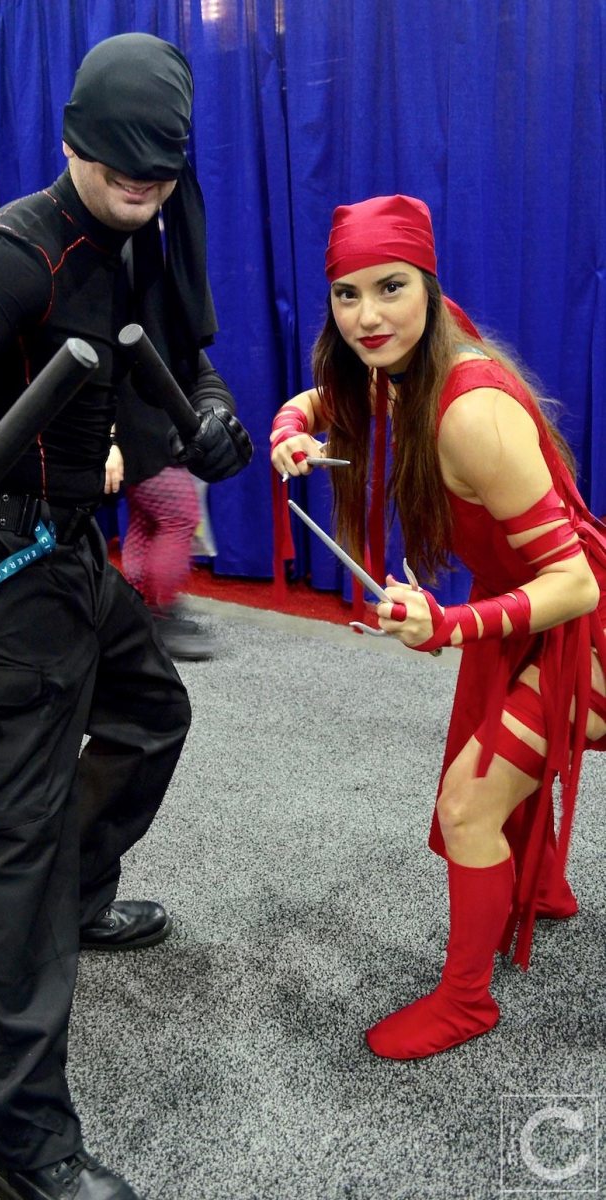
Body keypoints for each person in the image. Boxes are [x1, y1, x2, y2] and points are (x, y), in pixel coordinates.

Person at [0, 33, 251, 1200]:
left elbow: (189, 365)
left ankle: (81, 901)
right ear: (73, 139)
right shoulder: (13, 254)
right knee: (7, 847)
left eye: (162, 170)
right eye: (123, 166)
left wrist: (212, 418)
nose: (143, 185)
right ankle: (27, 1146)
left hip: (73, 551)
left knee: (150, 715)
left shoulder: (149, 232)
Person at [271, 194, 606, 1060]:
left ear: (426, 283)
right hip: (529, 613)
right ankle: (538, 889)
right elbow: (321, 398)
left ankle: (466, 1003)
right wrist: (289, 432)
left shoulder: (466, 410)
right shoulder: (401, 370)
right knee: (487, 784)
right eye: (346, 295)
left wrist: (451, 624)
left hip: (582, 625)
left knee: (467, 803)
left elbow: (570, 583)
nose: (366, 316)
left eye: (389, 288)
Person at [104, 393, 216, 661]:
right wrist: (110, 441)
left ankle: (139, 610)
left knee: (146, 521)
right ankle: (159, 613)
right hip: (142, 428)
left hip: (142, 423)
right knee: (179, 518)